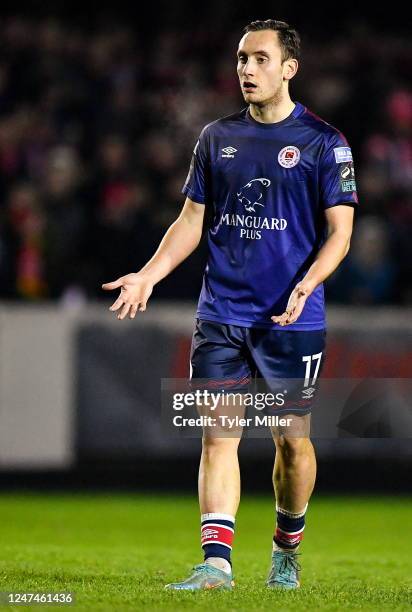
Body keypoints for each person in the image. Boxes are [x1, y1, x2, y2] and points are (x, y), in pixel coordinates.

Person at [102, 19, 357, 591]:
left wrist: (307, 283)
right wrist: (147, 274)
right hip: (220, 316)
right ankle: (216, 563)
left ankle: (286, 548)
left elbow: (340, 233)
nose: (247, 69)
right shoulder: (217, 138)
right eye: (242, 59)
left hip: (290, 321)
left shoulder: (323, 142)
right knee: (218, 438)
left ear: (289, 68)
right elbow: (191, 221)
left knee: (292, 445)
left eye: (260, 59)